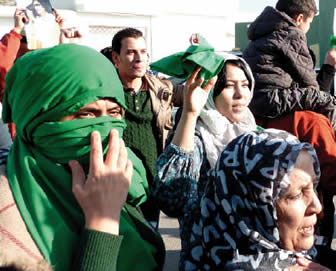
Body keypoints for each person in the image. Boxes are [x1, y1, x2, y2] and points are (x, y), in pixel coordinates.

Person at [0, 44, 165, 271]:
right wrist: (102, 223)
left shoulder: (122, 177)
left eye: (114, 112)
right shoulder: (6, 213)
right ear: (36, 118)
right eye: (86, 114)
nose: (105, 130)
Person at [243, 0, 336, 248]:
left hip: (261, 118)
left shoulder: (258, 35)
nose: (306, 31)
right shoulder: (291, 33)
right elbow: (311, 88)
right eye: (308, 24)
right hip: (290, 116)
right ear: (298, 19)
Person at [152, 53, 258, 269]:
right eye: (229, 86)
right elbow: (172, 199)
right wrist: (191, 113)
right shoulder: (196, 135)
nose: (240, 94)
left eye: (245, 85)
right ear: (210, 92)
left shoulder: (252, 132)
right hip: (205, 259)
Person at [184, 129, 334, 271]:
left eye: (314, 186)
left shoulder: (311, 257)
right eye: (296, 195)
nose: (317, 206)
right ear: (250, 207)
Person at [111, 27, 184, 229]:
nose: (139, 58)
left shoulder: (162, 89)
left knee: (149, 244)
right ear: (116, 58)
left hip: (152, 186)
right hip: (118, 183)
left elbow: (197, 94)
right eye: (131, 52)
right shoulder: (107, 93)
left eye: (143, 52)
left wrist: (195, 56)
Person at [0, 8, 81, 138]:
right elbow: (2, 66)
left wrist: (56, 33)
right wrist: (16, 31)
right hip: (28, 147)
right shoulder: (16, 84)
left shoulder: (55, 74)